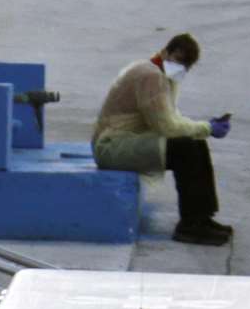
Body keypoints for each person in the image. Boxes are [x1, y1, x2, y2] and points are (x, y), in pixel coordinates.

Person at [92, 33, 233, 246]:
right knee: (185, 149)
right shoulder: (150, 75)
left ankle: (203, 218)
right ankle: (190, 225)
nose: (180, 66)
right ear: (166, 52)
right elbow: (166, 126)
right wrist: (207, 127)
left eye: (186, 64)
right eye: (178, 60)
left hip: (128, 141)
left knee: (195, 143)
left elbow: (172, 118)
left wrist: (203, 129)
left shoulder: (161, 75)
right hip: (112, 147)